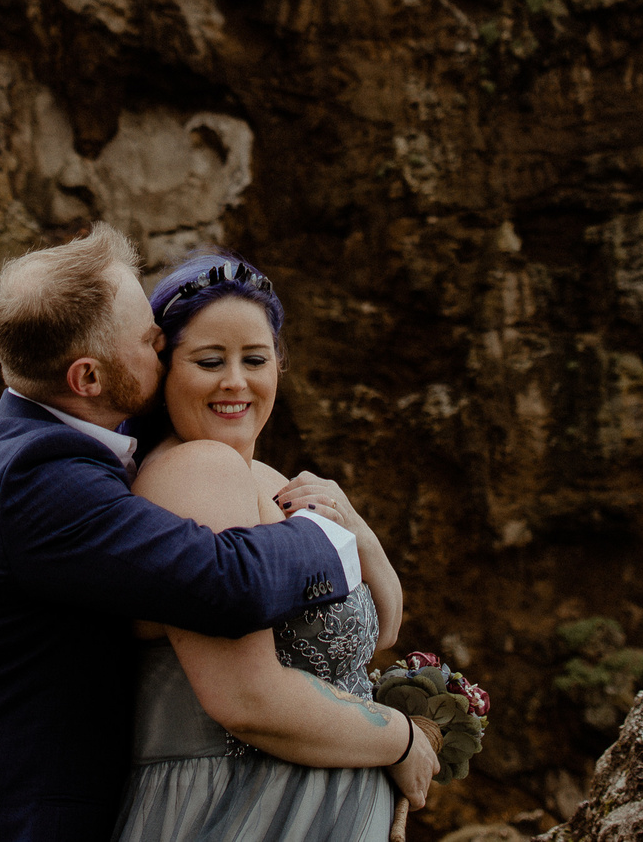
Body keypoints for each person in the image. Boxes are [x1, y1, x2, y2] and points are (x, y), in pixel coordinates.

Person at [0, 224, 437, 842]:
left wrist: (354, 526)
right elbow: (230, 584)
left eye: (256, 357)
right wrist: (329, 535)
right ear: (88, 378)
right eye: (151, 343)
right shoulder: (38, 478)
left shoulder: (44, 455)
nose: (162, 351)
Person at [112, 251, 429, 842]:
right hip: (244, 807)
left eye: (254, 359)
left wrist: (359, 532)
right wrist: (400, 738)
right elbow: (246, 698)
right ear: (163, 371)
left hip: (312, 807)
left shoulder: (270, 480)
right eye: (210, 361)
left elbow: (378, 633)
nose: (236, 381)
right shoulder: (196, 472)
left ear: (279, 365)